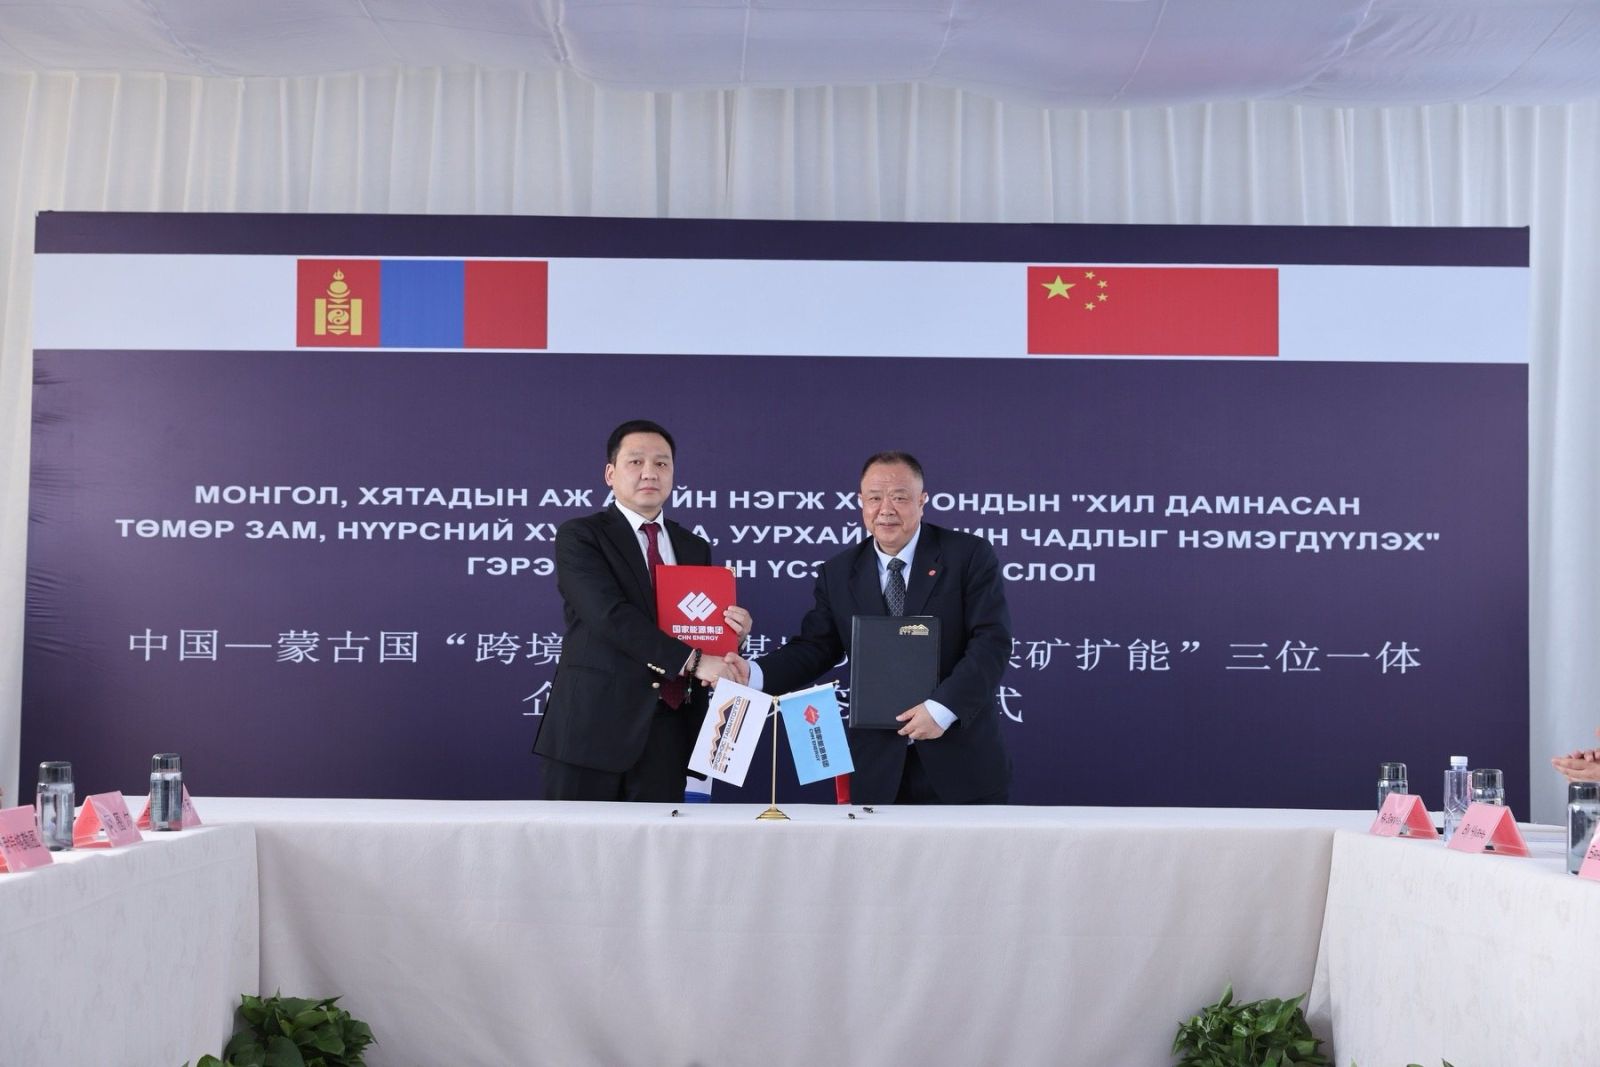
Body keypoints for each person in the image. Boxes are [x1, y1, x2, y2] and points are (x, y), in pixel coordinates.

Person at [749, 451, 1012, 804]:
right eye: (874, 498)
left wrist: (941, 709)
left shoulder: (968, 556)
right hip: (877, 771)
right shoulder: (838, 573)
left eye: (899, 497)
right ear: (860, 502)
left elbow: (991, 642)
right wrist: (751, 674)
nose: (885, 509)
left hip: (960, 762)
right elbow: (816, 648)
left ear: (922, 501)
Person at [533, 419, 750, 802]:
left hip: (668, 730)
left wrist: (731, 636)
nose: (650, 472)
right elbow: (608, 615)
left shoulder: (693, 546)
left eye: (662, 463)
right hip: (592, 727)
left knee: (656, 840)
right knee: (576, 839)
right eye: (636, 462)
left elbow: (694, 626)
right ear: (610, 474)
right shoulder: (580, 536)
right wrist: (696, 661)